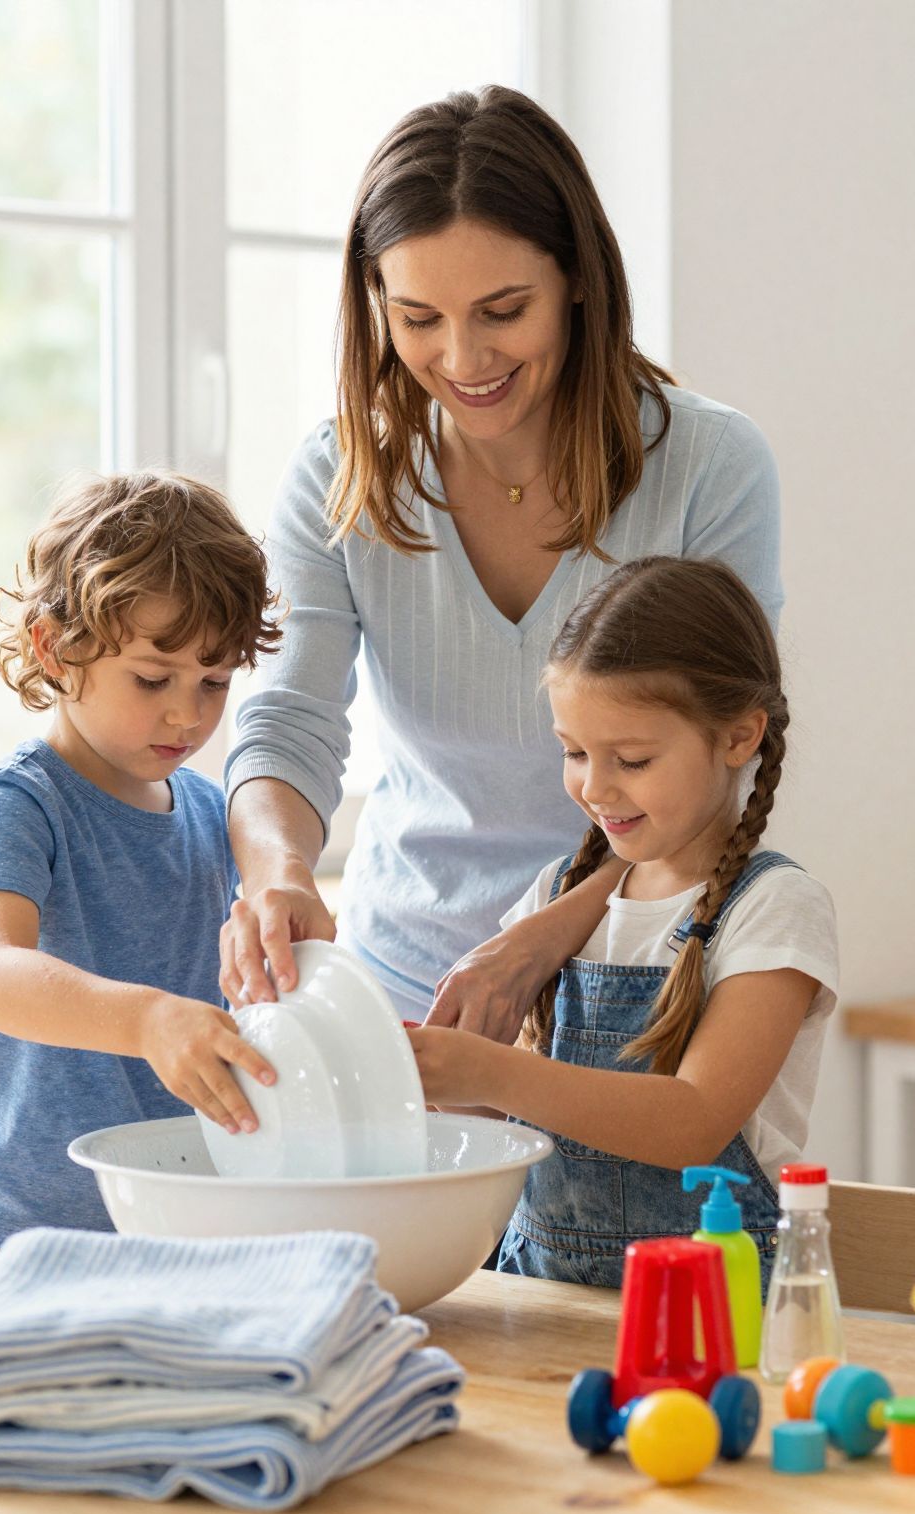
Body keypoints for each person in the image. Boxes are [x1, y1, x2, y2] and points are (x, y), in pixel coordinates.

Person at [220, 86, 780, 1037]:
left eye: (503, 310)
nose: (463, 356)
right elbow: (289, 720)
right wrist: (279, 874)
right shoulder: (340, 474)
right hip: (403, 987)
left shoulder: (711, 465)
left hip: (637, 980)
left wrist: (544, 937)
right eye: (418, 318)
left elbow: (727, 755)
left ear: (577, 280)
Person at [407, 557, 837, 1287]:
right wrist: (438, 1075)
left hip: (712, 1310)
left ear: (739, 737)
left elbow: (693, 1121)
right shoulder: (557, 896)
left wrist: (493, 1070)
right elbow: (509, 1112)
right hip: (544, 1300)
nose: (595, 787)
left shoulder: (776, 908)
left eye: (631, 760)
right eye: (574, 752)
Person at [0, 473, 282, 1247]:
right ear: (54, 649)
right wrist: (147, 1020)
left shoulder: (209, 811)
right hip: (20, 1229)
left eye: (215, 681)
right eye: (153, 678)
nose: (188, 713)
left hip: (176, 1223)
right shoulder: (17, 803)